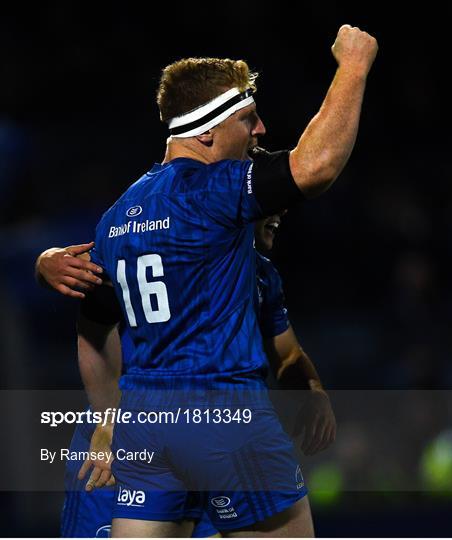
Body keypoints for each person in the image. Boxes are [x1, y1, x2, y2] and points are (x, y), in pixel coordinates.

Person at [57, 25, 376, 537]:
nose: (260, 129)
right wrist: (354, 67)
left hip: (145, 418)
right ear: (206, 132)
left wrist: (108, 416)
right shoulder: (211, 191)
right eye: (247, 119)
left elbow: (92, 328)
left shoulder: (116, 218)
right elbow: (315, 167)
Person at [36, 214, 336, 538]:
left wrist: (314, 393)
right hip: (118, 439)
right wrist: (47, 261)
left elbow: (288, 354)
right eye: (269, 200)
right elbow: (84, 269)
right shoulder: (169, 239)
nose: (280, 212)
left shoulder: (261, 275)